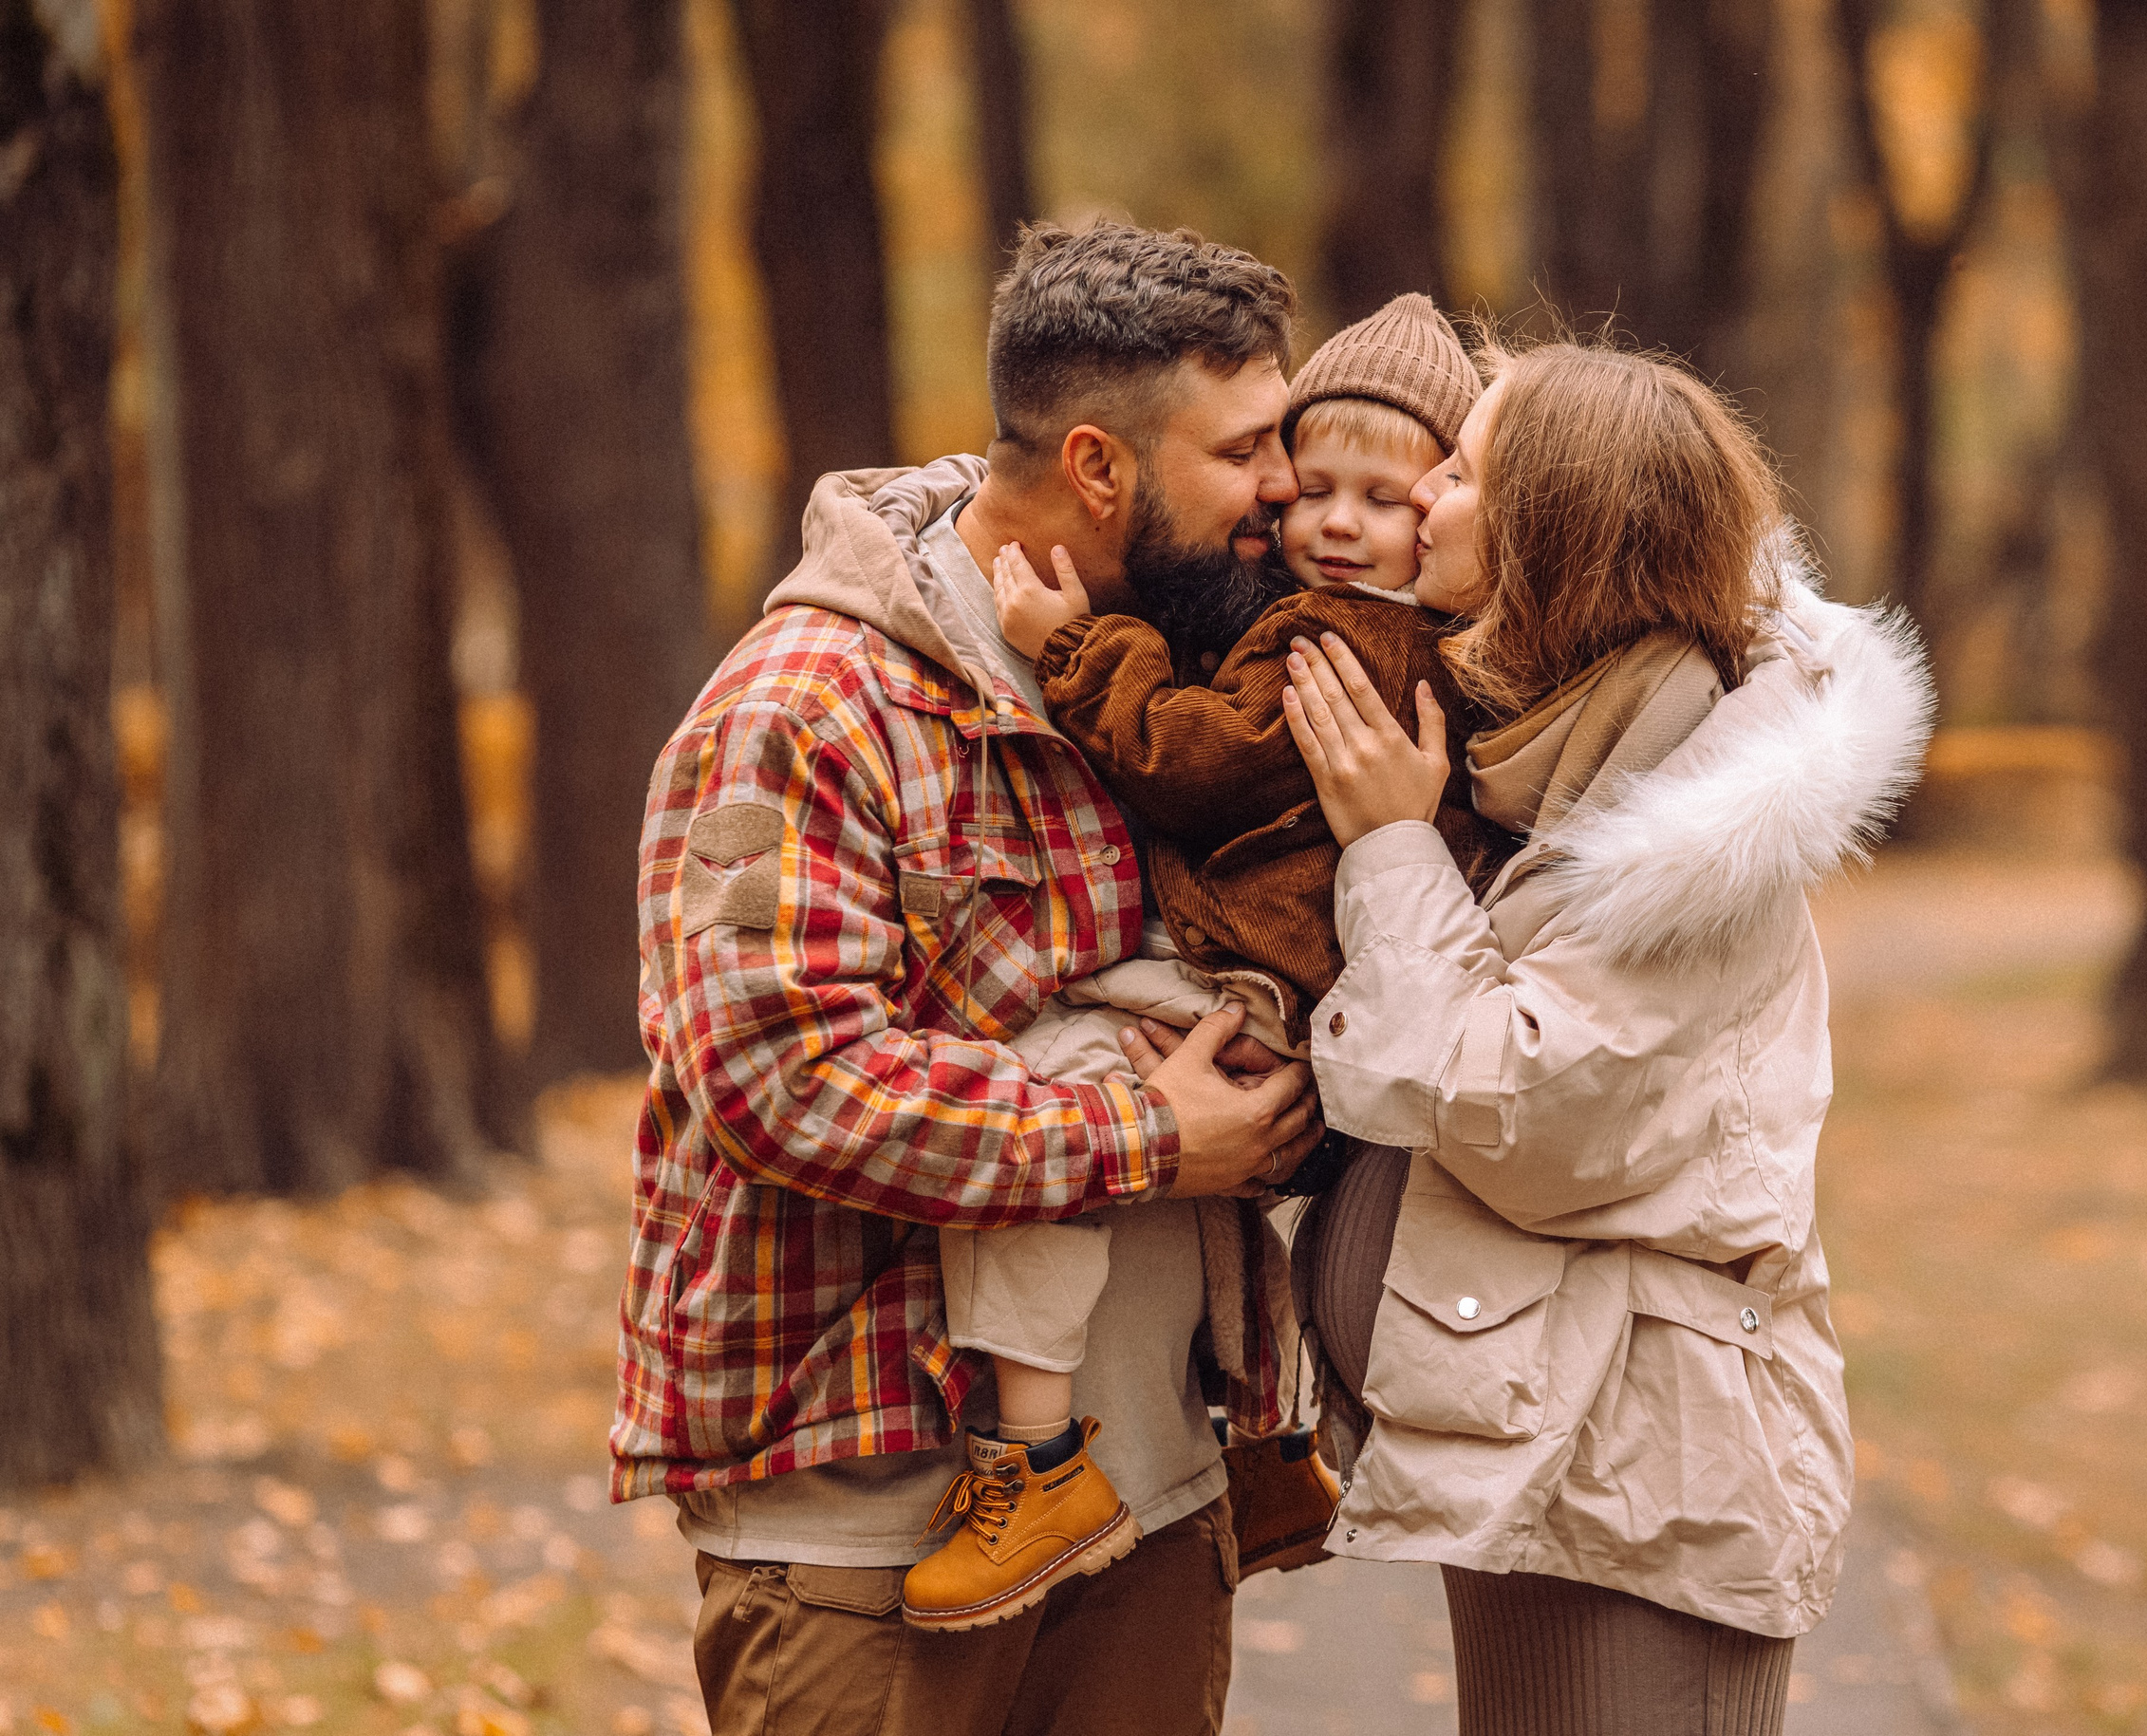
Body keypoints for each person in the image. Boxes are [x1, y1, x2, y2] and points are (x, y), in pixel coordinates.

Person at [616, 220, 1326, 1736]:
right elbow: (778, 1076)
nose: (1288, 487)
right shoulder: (806, 708)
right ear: (1098, 468)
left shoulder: (1178, 679)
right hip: (873, 1533)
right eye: (1249, 448)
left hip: (1153, 1504)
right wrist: (1143, 1139)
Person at [1277, 340, 1934, 1735]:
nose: (1421, 500)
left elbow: (1522, 1111)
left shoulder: (1694, 834)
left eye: (1460, 473)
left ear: (1547, 540)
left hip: (1647, 1490)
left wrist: (1390, 847)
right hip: (1566, 1455)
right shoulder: (1577, 752)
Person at [905, 292, 1493, 1630]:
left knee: (1055, 1081)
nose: (1325, 515)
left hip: (1256, 972)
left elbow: (1196, 763)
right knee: (1206, 1178)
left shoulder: (1337, 637)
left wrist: (1072, 649)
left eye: (1380, 498)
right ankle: (1270, 1451)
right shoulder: (1419, 636)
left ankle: (1032, 1459)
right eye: (1304, 481)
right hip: (1299, 978)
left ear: (1444, 505)